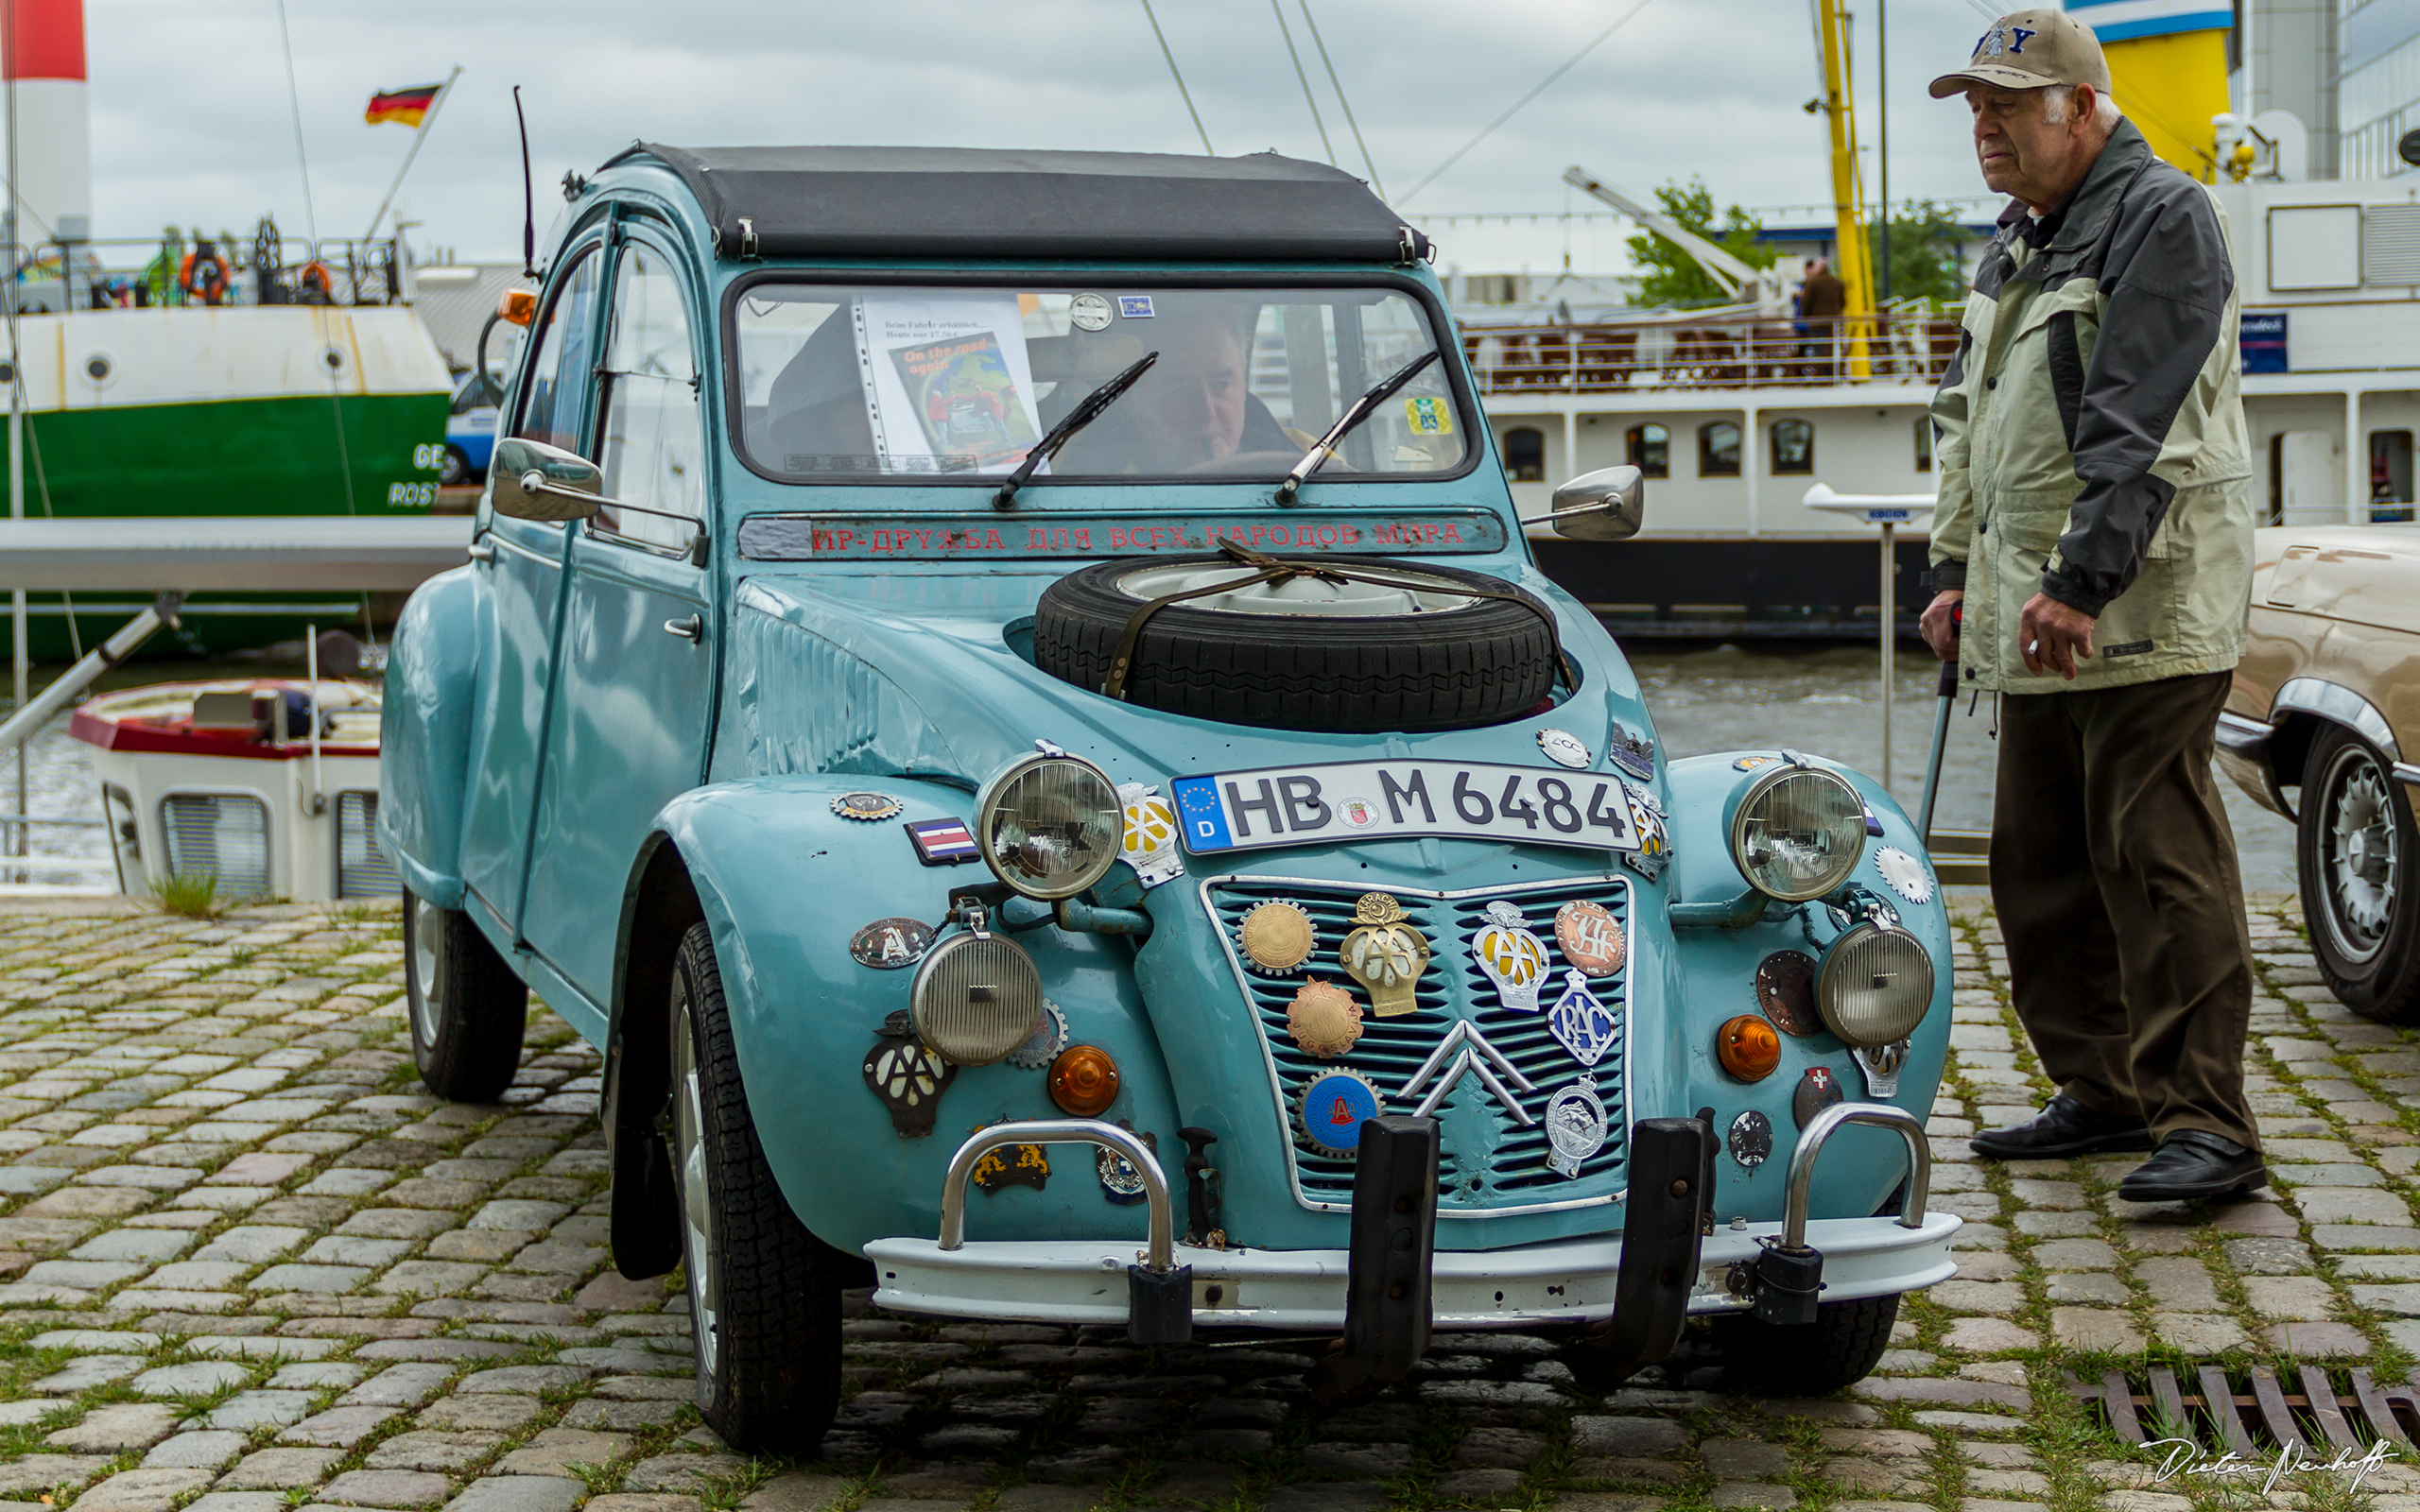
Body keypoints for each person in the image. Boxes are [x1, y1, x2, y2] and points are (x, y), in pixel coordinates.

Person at [1918, 9, 2263, 1202]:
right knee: (2041, 866)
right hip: (2032, 607)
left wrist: (2079, 581)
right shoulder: (2022, 238)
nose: (1984, 126)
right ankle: (2103, 1089)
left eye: (2007, 104)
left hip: (2139, 602)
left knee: (2157, 859)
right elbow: (1968, 419)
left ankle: (2206, 1122)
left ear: (2082, 107)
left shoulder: (2161, 218)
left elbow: (2141, 416)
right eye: (1975, 105)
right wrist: (1953, 569)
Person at [1798, 257, 1846, 377]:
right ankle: (1831, 374)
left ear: (1819, 268)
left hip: (1817, 323)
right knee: (1831, 349)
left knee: (1818, 349)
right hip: (1834, 323)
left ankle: (1820, 375)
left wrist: (1806, 316)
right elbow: (1843, 302)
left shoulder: (1813, 283)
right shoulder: (1838, 282)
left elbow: (1805, 302)